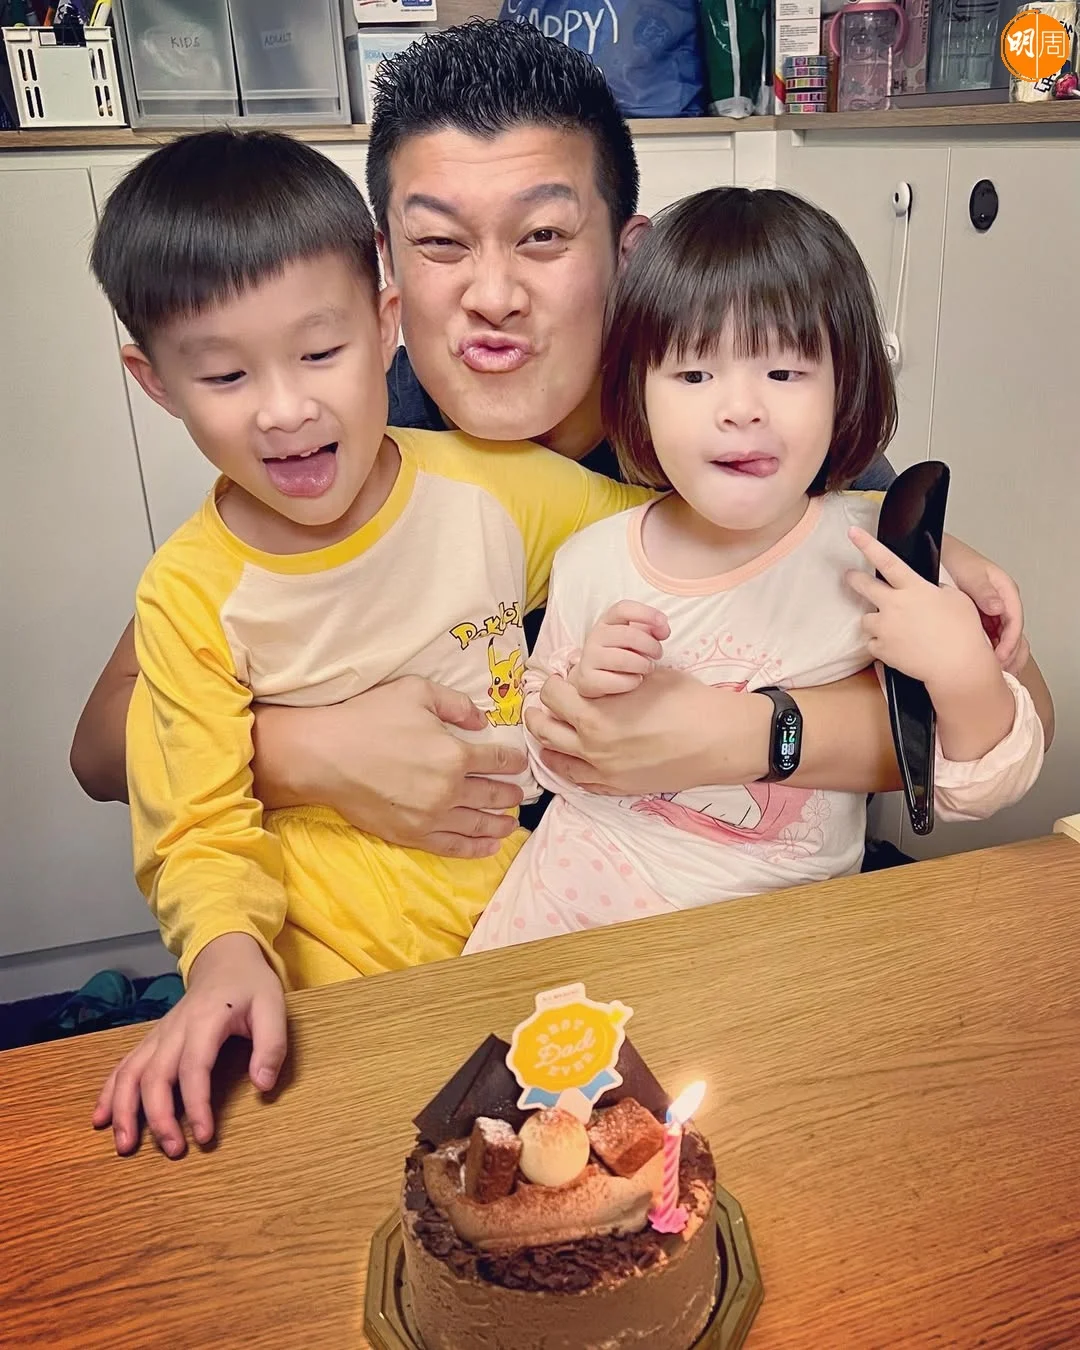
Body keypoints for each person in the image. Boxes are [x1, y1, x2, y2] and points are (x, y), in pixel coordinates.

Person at [69, 21, 1027, 856]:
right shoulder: (345, 437)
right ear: (385, 271)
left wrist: (744, 736)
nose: (492, 296)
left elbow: (1018, 714)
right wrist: (306, 751)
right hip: (458, 928)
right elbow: (101, 746)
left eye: (542, 238)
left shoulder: (739, 419)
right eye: (441, 244)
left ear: (627, 253)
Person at [87, 128, 648, 1158]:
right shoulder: (190, 594)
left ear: (384, 324)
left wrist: (882, 532)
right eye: (225, 375)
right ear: (155, 380)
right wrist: (220, 957)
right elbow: (194, 827)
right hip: (320, 988)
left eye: (319, 353)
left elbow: (664, 536)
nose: (286, 408)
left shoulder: (491, 492)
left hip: (524, 936)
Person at [466, 188, 1051, 952]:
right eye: (693, 375)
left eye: (783, 372)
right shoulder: (592, 561)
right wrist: (580, 695)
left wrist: (964, 672)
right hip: (574, 902)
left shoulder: (876, 553)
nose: (740, 409)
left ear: (846, 387)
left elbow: (986, 785)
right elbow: (537, 758)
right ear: (637, 392)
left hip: (780, 937)